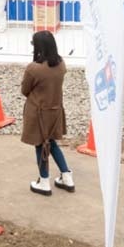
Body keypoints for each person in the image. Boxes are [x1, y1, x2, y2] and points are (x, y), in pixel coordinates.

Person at [21, 30, 73, 196]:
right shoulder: (61, 64)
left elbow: (25, 90)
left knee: (40, 145)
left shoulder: (33, 69)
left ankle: (44, 181)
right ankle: (66, 176)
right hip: (55, 110)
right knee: (52, 144)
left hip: (38, 112)